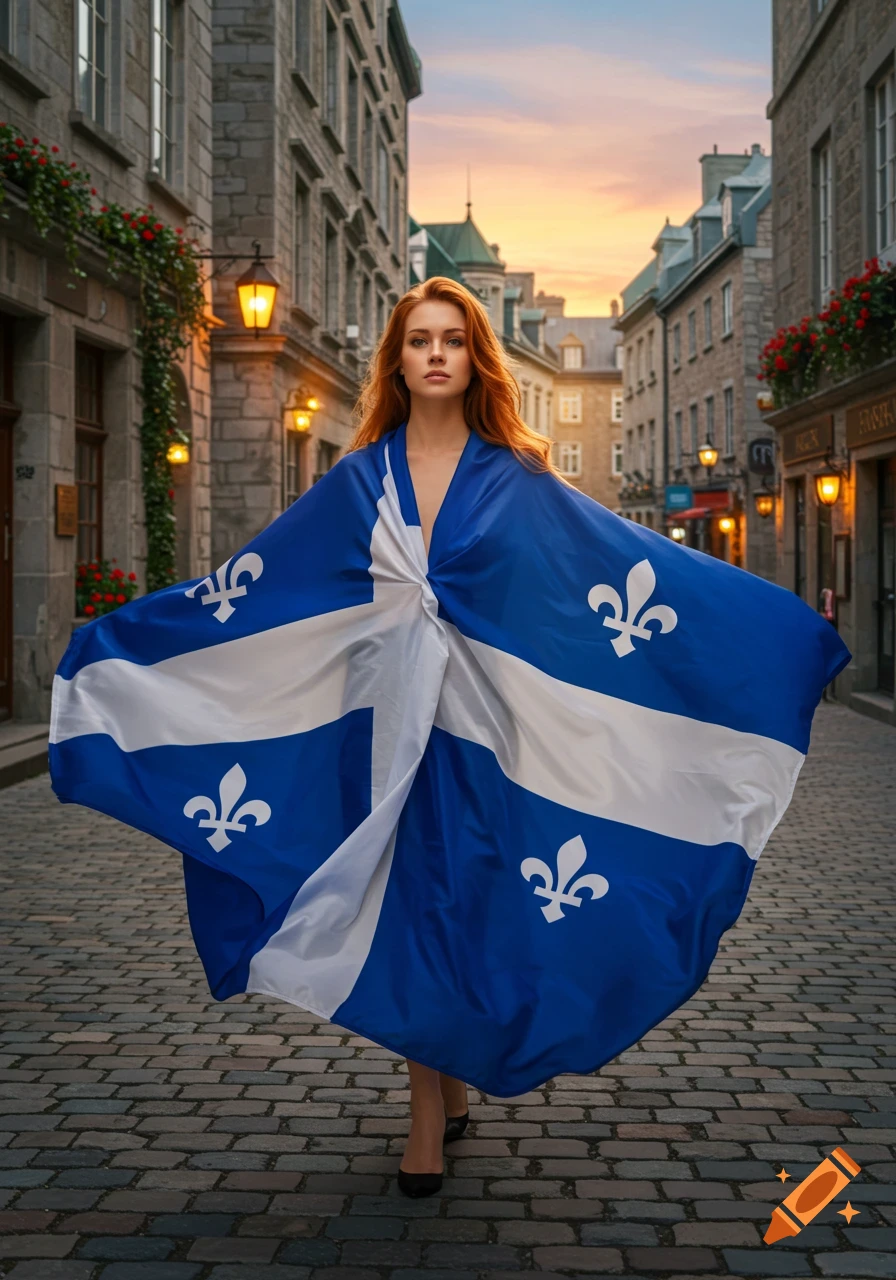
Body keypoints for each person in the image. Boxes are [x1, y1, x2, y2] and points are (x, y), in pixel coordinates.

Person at [346, 276, 567, 1196]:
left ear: (477, 358)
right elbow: (295, 593)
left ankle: (455, 1065)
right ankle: (426, 1113)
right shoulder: (361, 474)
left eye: (454, 340)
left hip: (483, 729)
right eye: (418, 340)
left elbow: (564, 593)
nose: (435, 353)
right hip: (391, 724)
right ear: (396, 360)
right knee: (407, 906)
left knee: (466, 897)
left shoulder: (516, 474)